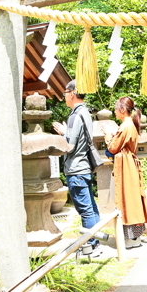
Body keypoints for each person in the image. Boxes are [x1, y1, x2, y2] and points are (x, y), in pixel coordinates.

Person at [53, 81, 104, 255]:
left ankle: (90, 246)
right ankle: (95, 242)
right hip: (84, 168)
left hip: (76, 169)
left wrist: (63, 131)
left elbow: (70, 145)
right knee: (91, 207)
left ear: (72, 93)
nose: (64, 96)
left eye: (65, 92)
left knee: (85, 210)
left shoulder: (75, 115)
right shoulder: (86, 113)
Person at [106, 96, 147, 248]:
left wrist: (108, 138)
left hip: (125, 165)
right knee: (132, 199)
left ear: (123, 110)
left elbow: (112, 148)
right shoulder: (130, 124)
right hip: (128, 163)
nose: (114, 112)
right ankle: (134, 237)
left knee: (126, 199)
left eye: (115, 109)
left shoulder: (125, 126)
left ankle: (130, 238)